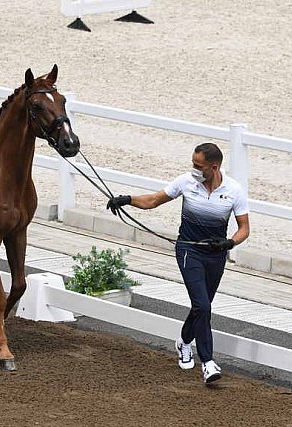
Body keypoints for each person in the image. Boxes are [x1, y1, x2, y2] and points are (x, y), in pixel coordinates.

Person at [106, 142, 250, 384]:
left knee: (200, 307)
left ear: (214, 167)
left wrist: (228, 244)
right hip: (188, 251)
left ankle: (183, 341)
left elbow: (244, 228)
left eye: (198, 166)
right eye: (193, 164)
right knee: (203, 306)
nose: (193, 169)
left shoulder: (234, 190)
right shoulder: (186, 182)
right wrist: (127, 199)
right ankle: (208, 363)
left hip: (215, 255)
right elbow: (153, 200)